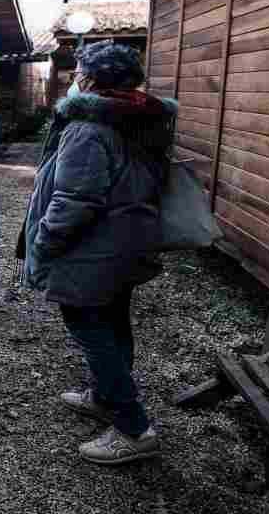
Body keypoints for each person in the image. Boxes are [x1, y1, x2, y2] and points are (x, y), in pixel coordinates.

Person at [20, 40, 176, 464]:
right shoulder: (143, 119)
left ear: (88, 79)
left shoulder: (87, 127)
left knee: (91, 330)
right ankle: (106, 396)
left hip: (94, 249)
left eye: (79, 73)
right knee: (113, 322)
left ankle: (134, 428)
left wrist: (45, 241)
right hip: (127, 242)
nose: (74, 80)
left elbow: (76, 199)